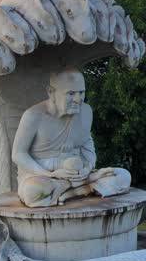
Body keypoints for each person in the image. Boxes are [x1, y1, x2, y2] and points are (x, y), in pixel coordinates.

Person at [11, 69, 130, 207]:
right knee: (32, 192)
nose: (78, 99)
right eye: (71, 93)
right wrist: (50, 174)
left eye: (81, 92)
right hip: (42, 175)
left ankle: (71, 191)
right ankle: (82, 186)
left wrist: (88, 168)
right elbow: (18, 154)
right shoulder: (33, 116)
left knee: (123, 176)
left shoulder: (85, 111)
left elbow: (87, 144)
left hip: (79, 173)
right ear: (51, 92)